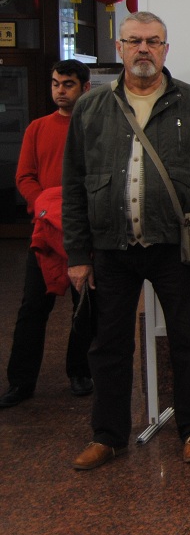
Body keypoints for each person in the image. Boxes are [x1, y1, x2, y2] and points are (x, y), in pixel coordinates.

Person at [62, 11, 190, 469]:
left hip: (175, 246)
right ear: (120, 48)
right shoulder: (90, 108)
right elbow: (74, 185)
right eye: (135, 40)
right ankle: (108, 435)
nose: (144, 49)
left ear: (165, 49)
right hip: (111, 247)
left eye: (153, 41)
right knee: (108, 345)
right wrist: (77, 253)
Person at [0, 60, 94, 408]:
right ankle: (21, 382)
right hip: (45, 231)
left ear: (85, 87)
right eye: (56, 83)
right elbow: (24, 177)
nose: (60, 90)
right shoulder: (37, 128)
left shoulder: (94, 126)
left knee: (85, 307)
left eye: (68, 84)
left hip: (84, 230)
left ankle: (80, 372)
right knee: (32, 308)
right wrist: (46, 205)